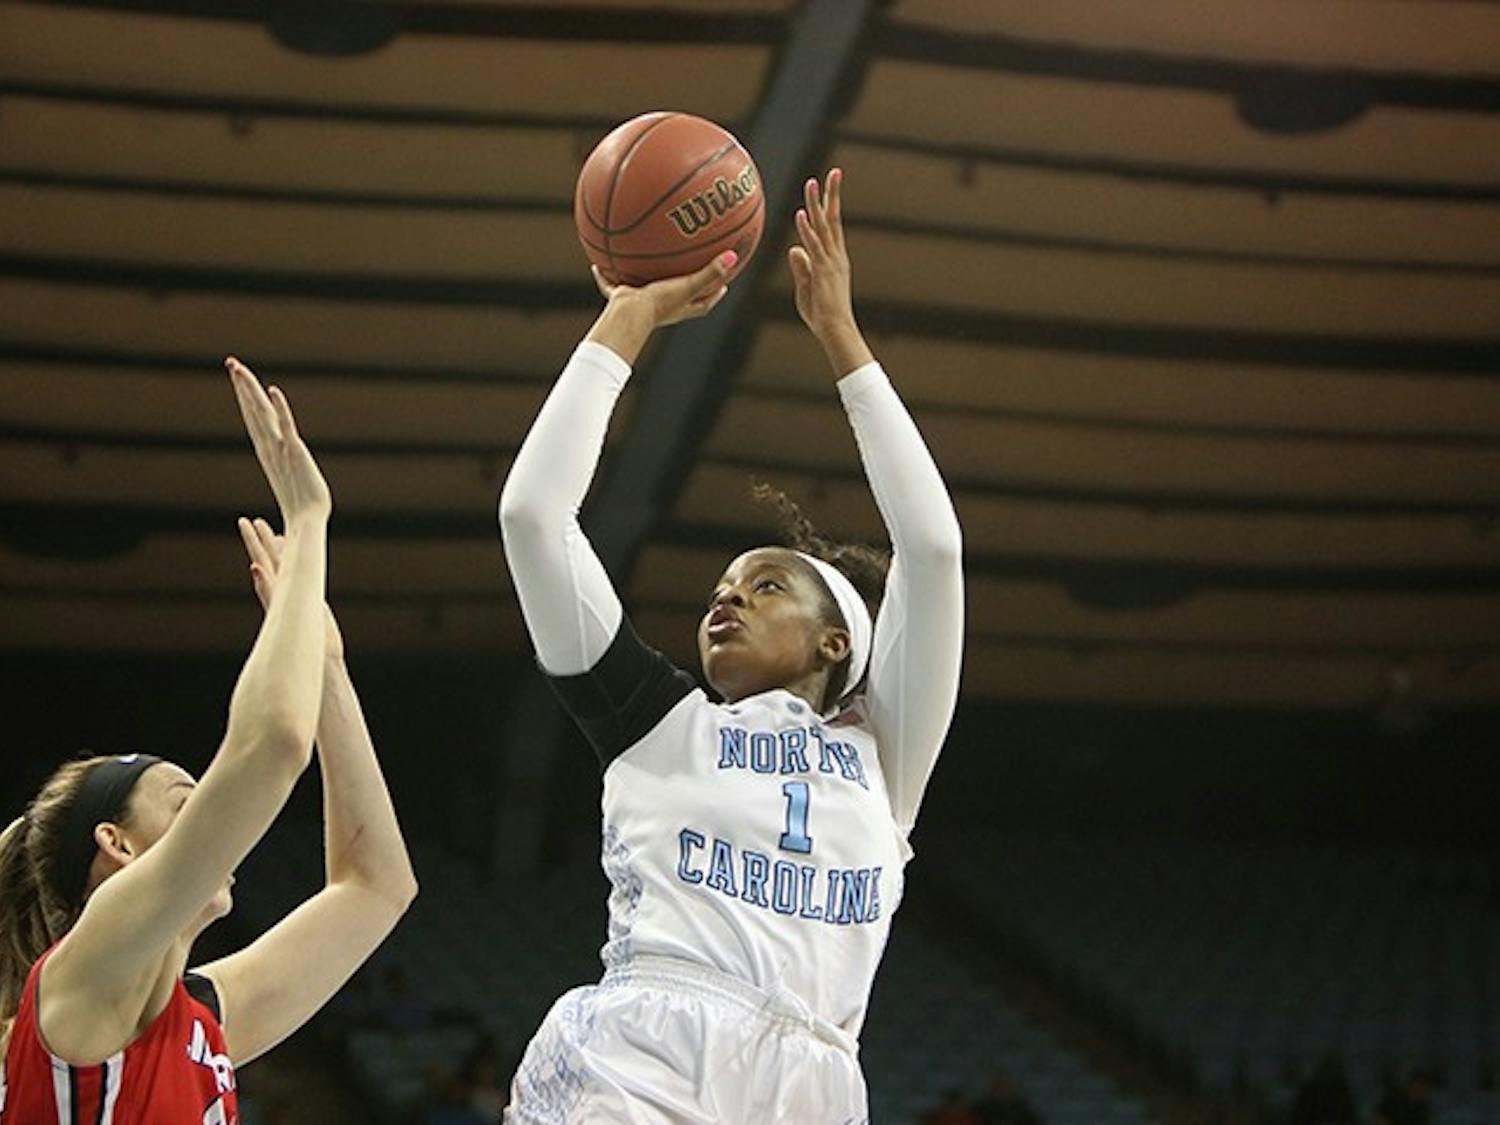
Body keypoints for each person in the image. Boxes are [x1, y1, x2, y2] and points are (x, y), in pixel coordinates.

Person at [498, 169, 964, 1122]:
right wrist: (627, 320)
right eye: (719, 590)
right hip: (647, 1050)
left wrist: (841, 336)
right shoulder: (657, 725)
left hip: (814, 1081)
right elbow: (534, 516)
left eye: (764, 585)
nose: (727, 600)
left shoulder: (883, 759)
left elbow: (934, 549)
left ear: (839, 638)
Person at [0, 360, 418, 1122]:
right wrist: (310, 521)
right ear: (117, 846)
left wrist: (326, 668)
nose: (216, 818)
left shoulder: (201, 1017)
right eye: (190, 800)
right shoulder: (83, 977)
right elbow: (270, 747)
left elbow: (376, 885)